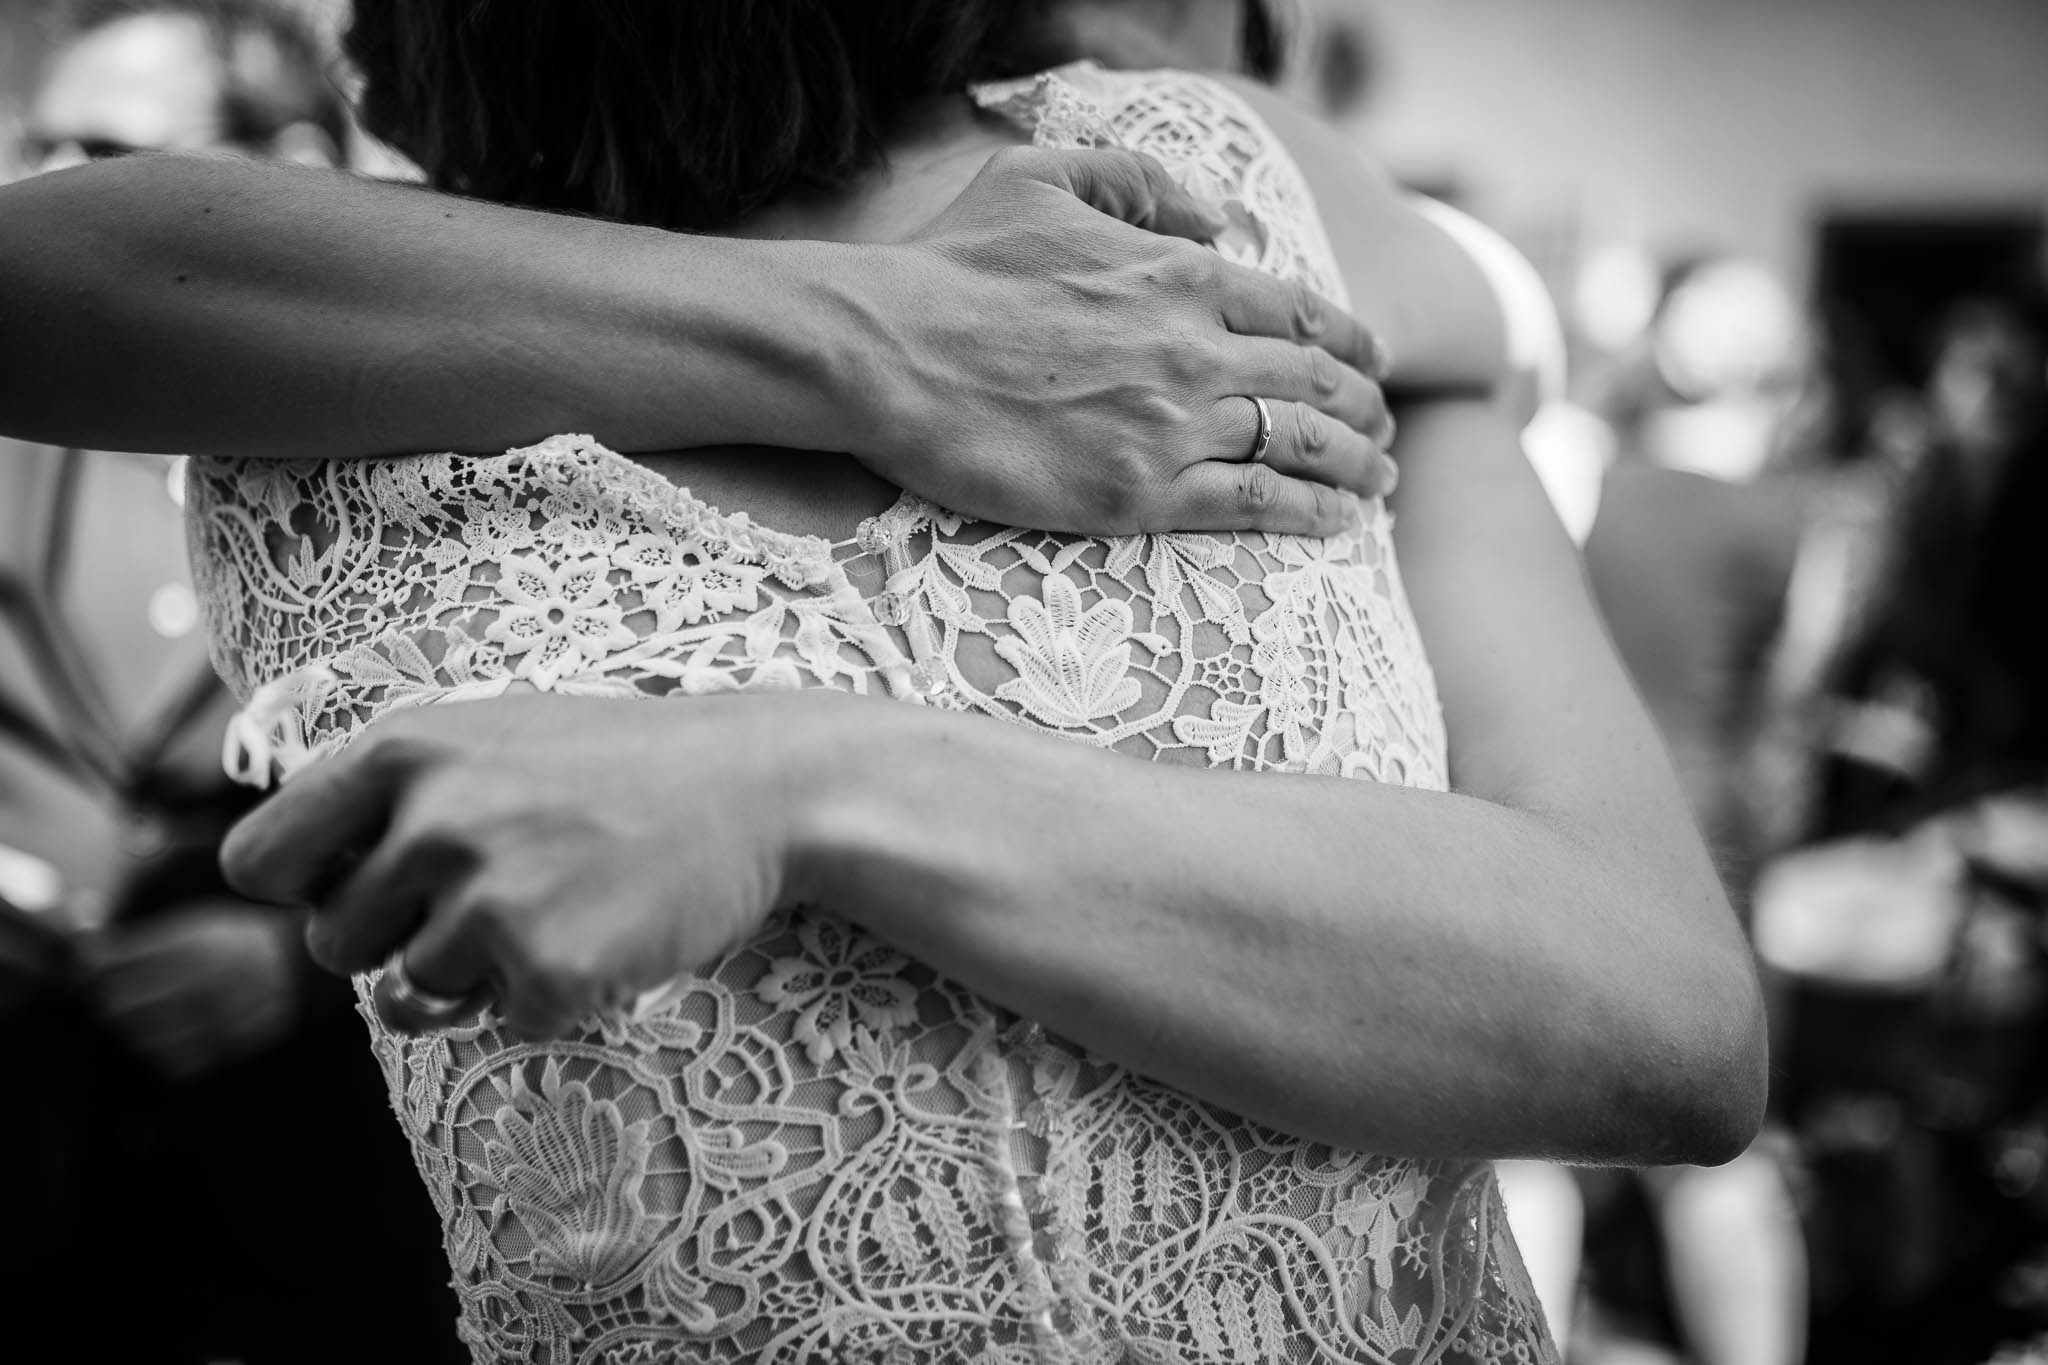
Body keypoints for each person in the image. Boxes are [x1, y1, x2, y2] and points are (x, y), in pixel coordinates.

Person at [1, 3, 1766, 1359]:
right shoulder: (321, 347)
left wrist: (802, 784)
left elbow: (1668, 1034)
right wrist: (869, 337)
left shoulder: (1190, 197)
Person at [0, 2, 460, 1359]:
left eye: (98, 157)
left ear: (297, 173)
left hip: (334, 1200)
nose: (34, 192)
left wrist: (300, 969)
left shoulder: (427, 452)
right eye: (31, 139)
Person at [1754, 284, 2048, 1365]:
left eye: (2009, 381)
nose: (1988, 401)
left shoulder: (1990, 494)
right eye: (1977, 375)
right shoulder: (1912, 494)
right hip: (1935, 815)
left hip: (1979, 824)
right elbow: (1857, 668)